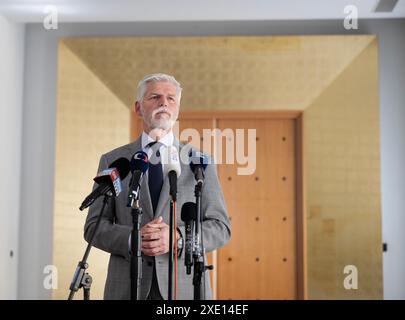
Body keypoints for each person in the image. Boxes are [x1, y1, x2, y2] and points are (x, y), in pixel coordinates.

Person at [84, 73, 231, 300]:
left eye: (171, 98)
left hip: (184, 290)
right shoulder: (113, 161)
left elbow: (221, 228)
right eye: (155, 97)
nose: (164, 102)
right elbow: (94, 227)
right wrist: (134, 238)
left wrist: (178, 238)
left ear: (177, 109)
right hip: (126, 288)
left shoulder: (200, 161)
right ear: (138, 108)